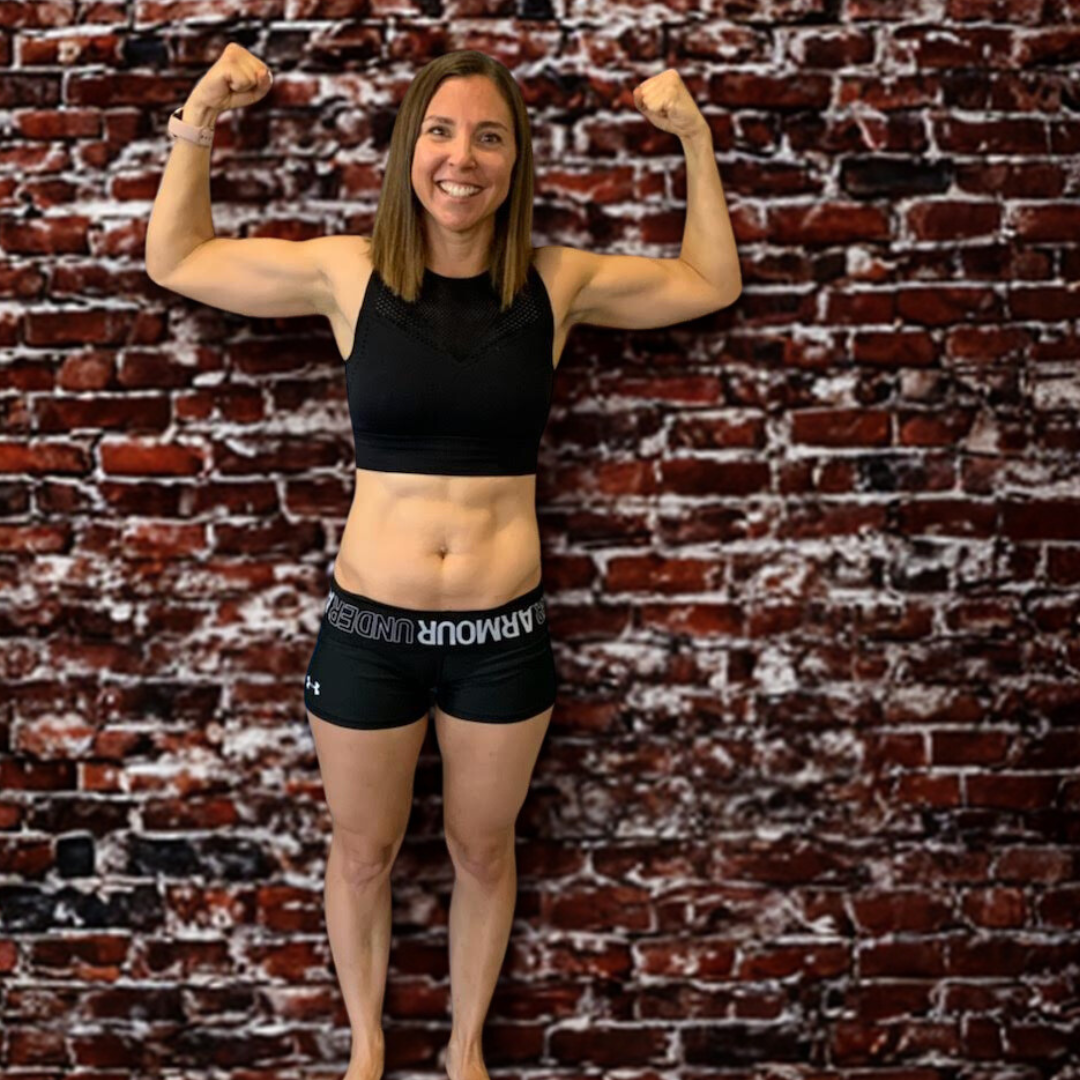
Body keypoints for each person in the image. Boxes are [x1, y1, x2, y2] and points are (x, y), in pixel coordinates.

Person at [146, 44, 741, 1080]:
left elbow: (709, 281)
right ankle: (367, 1050)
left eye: (489, 137)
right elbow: (179, 259)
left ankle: (466, 1053)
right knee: (362, 851)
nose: (462, 157)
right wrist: (200, 109)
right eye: (441, 131)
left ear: (515, 162)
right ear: (408, 151)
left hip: (500, 639)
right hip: (369, 633)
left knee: (482, 850)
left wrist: (692, 136)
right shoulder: (348, 272)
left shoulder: (557, 282)